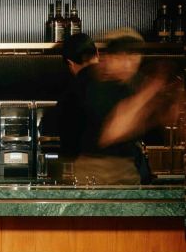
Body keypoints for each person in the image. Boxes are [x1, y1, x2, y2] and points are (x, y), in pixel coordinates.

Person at [72, 30, 179, 185]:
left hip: (128, 168)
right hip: (97, 171)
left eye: (134, 57)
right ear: (109, 57)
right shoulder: (94, 84)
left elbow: (162, 120)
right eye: (121, 57)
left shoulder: (133, 82)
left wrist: (164, 106)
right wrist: (151, 90)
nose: (128, 64)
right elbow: (112, 132)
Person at [57, 33, 99, 160]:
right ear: (97, 53)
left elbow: (67, 139)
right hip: (126, 166)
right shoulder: (117, 82)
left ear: (70, 63)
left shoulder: (71, 94)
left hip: (88, 164)